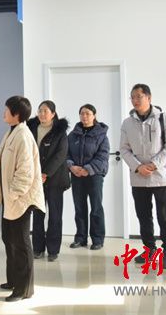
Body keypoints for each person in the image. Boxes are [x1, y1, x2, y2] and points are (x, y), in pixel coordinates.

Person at [0, 96, 45, 302]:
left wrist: (12, 194)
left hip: (20, 199)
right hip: (11, 199)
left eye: (6, 109)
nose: (3, 113)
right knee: (9, 239)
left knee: (20, 243)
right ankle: (13, 281)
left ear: (16, 114)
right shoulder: (12, 132)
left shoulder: (23, 136)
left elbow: (25, 172)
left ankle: (24, 289)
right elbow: (9, 156)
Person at [120, 84, 166, 269]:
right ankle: (149, 249)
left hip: (160, 176)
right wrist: (138, 167)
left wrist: (153, 164)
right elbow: (124, 149)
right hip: (138, 177)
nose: (135, 100)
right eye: (132, 97)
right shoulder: (127, 123)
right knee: (143, 216)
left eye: (139, 96)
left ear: (149, 98)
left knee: (165, 217)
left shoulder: (162, 117)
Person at [27, 100, 69, 261]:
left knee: (55, 215)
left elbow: (61, 154)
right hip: (35, 178)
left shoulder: (60, 131)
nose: (42, 114)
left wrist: (46, 173)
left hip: (55, 179)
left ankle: (53, 250)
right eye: (40, 110)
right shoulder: (30, 128)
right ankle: (37, 248)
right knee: (38, 214)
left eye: (45, 111)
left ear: (53, 114)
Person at [66, 104, 110, 250]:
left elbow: (103, 156)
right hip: (76, 175)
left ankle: (97, 239)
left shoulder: (101, 135)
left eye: (88, 113)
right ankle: (80, 238)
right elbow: (66, 154)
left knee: (96, 207)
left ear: (94, 115)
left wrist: (87, 169)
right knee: (79, 207)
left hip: (94, 175)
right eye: (82, 113)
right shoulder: (72, 135)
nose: (84, 116)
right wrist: (71, 166)